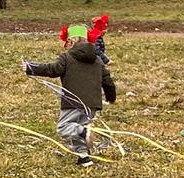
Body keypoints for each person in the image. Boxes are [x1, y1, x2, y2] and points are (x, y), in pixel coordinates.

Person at [22, 22, 118, 167]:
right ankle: (84, 157)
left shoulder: (67, 57)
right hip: (92, 104)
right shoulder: (98, 60)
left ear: (71, 41)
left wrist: (31, 68)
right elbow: (108, 81)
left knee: (65, 127)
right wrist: (111, 97)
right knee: (79, 132)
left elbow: (53, 69)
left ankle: (84, 131)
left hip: (72, 102)